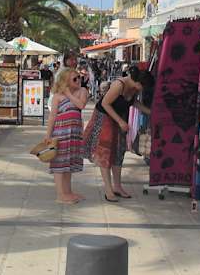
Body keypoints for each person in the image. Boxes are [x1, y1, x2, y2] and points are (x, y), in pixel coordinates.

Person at [83, 65, 145, 201]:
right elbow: (105, 103)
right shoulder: (119, 85)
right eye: (142, 86)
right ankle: (108, 189)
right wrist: (120, 122)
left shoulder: (133, 88)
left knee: (119, 152)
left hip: (119, 119)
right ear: (137, 81)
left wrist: (149, 111)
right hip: (105, 117)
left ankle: (117, 186)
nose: (142, 89)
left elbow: (132, 102)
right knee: (105, 152)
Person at [45, 68, 89, 204]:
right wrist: (48, 134)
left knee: (69, 163)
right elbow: (52, 116)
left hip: (74, 133)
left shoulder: (82, 92)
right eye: (74, 79)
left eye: (79, 77)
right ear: (66, 81)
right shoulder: (57, 96)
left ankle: (68, 192)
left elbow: (81, 105)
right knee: (59, 163)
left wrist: (69, 94)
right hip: (60, 133)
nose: (78, 80)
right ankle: (60, 194)